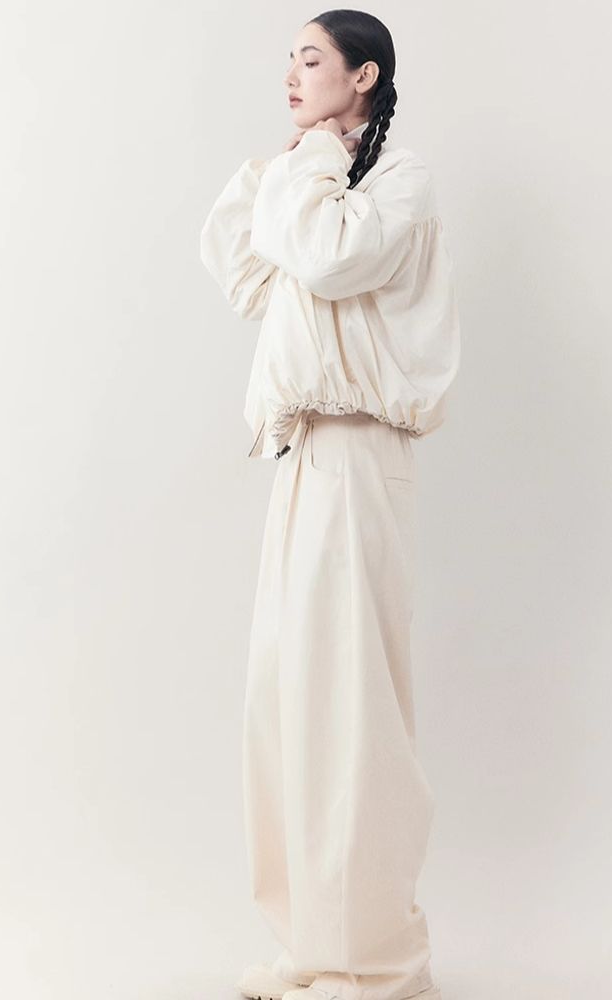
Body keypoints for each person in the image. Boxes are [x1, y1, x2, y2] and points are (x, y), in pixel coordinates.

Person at [200, 10, 460, 1000]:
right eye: (289, 59)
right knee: (286, 703)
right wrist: (286, 165)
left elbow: (326, 257)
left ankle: (375, 962)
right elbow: (242, 269)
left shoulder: (398, 180)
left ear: (365, 75)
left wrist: (309, 165)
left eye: (311, 58)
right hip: (302, 453)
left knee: (351, 711)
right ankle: (311, 946)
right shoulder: (315, 180)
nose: (292, 72)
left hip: (359, 452)